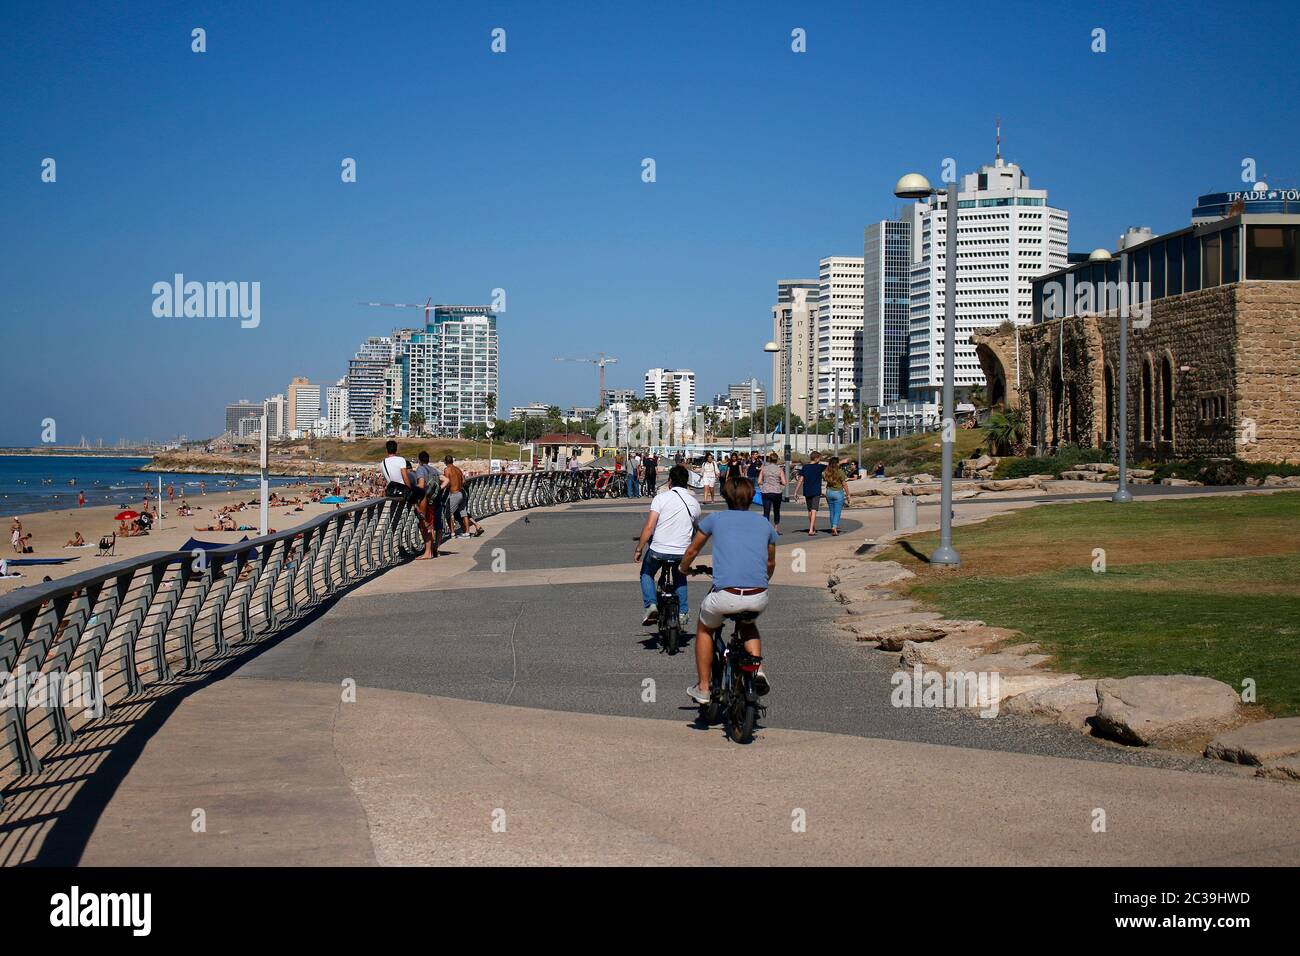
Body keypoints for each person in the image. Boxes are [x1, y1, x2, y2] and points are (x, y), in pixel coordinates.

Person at [679, 474, 775, 702]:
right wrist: (763, 580)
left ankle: (703, 687)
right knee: (748, 624)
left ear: (726, 496)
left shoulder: (715, 519)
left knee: (705, 629)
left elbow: (692, 551)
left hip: (726, 595)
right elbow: (770, 563)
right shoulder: (764, 523)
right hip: (757, 595)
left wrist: (684, 569)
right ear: (752, 496)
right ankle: (757, 669)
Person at [633, 464, 701, 627]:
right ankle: (683, 612)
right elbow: (696, 530)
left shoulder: (660, 498)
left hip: (658, 551)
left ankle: (651, 605)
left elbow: (649, 527)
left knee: (647, 574)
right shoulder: (694, 503)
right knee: (680, 576)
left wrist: (639, 549)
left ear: (670, 481)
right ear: (687, 482)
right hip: (681, 552)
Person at [412, 451, 443, 559]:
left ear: (419, 460)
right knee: (430, 525)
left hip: (425, 500)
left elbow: (421, 485)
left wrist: (412, 489)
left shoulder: (420, 469)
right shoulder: (434, 470)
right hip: (434, 500)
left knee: (425, 525)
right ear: (428, 460)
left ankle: (428, 553)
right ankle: (430, 551)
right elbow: (443, 481)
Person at [442, 455, 482, 538]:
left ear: (445, 462)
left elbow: (447, 482)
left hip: (454, 494)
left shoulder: (447, 469)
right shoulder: (458, 469)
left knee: (448, 514)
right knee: (464, 514)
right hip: (461, 493)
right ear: (452, 461)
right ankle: (467, 533)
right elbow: (463, 481)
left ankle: (452, 533)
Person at [793, 451, 827, 536]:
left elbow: (801, 479)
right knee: (814, 509)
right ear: (816, 458)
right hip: (816, 491)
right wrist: (842, 462)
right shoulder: (819, 467)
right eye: (819, 458)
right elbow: (832, 465)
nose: (820, 460)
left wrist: (796, 491)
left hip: (807, 490)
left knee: (809, 510)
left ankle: (813, 527)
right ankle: (811, 529)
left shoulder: (805, 467)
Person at [758, 452, 786, 532]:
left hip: (766, 491)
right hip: (777, 492)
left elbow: (759, 481)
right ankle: (776, 527)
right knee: (776, 510)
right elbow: (784, 482)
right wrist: (780, 486)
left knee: (766, 510)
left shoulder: (764, 469)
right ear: (777, 460)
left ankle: (766, 528)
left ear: (769, 459)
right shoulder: (779, 470)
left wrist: (762, 487)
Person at [824, 456, 847, 535]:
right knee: (837, 512)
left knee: (831, 511)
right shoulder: (840, 472)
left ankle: (833, 527)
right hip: (838, 492)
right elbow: (844, 484)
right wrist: (848, 494)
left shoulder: (827, 472)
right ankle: (834, 527)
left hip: (829, 492)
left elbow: (824, 476)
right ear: (837, 464)